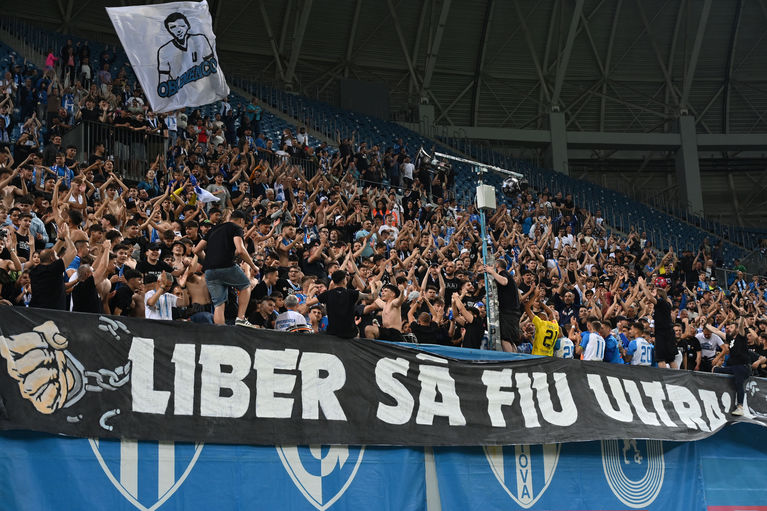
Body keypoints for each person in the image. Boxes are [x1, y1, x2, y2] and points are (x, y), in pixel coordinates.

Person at [194, 210, 258, 326]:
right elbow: (240, 250)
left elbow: (196, 250)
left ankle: (220, 332)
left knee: (219, 304)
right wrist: (253, 266)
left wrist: (208, 261)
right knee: (245, 285)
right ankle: (241, 318)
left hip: (209, 271)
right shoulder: (236, 228)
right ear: (241, 220)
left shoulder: (213, 229)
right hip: (226, 266)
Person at [312, 270, 371, 339]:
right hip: (349, 333)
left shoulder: (327, 294)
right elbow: (372, 297)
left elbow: (308, 303)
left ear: (333, 281)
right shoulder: (352, 293)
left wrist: (311, 292)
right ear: (344, 280)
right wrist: (377, 286)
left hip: (332, 332)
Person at [29, 224, 76, 310]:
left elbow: (50, 253)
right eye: (56, 256)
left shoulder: (34, 270)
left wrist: (61, 240)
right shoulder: (54, 269)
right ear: (52, 259)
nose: (58, 257)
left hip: (36, 310)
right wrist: (67, 237)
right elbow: (73, 251)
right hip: (53, 312)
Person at [709, 319, 750, 416]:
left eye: (732, 327)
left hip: (742, 367)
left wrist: (742, 316)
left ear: (736, 329)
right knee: (716, 369)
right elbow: (717, 331)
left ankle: (740, 407)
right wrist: (706, 324)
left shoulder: (741, 337)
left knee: (739, 384)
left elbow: (740, 326)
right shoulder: (730, 339)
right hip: (734, 367)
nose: (729, 329)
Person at [637, 277, 677, 368]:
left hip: (662, 334)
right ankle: (676, 380)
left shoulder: (661, 303)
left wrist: (643, 285)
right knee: (671, 359)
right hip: (669, 333)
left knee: (661, 359)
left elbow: (650, 298)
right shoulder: (667, 303)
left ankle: (664, 380)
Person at [485, 261, 522, 352]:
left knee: (505, 339)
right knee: (510, 340)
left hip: (508, 312)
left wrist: (492, 272)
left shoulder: (503, 273)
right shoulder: (510, 277)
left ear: (497, 265)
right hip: (513, 312)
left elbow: (504, 282)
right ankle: (515, 360)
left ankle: (510, 361)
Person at [524, 287, 559, 357]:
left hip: (537, 357)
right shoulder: (555, 325)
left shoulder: (540, 323)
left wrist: (535, 295)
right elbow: (551, 313)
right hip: (549, 358)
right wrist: (540, 302)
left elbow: (527, 307)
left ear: (539, 318)